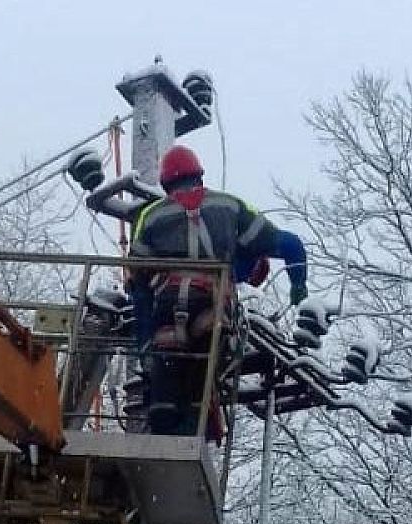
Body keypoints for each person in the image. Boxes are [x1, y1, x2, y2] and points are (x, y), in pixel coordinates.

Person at [127, 145, 308, 435]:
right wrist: (299, 287)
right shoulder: (230, 206)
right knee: (202, 374)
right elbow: (291, 245)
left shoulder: (150, 215)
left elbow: (137, 283)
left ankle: (166, 421)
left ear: (166, 184)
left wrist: (144, 344)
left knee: (165, 387)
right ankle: (199, 420)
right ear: (199, 175)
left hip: (167, 309)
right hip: (210, 307)